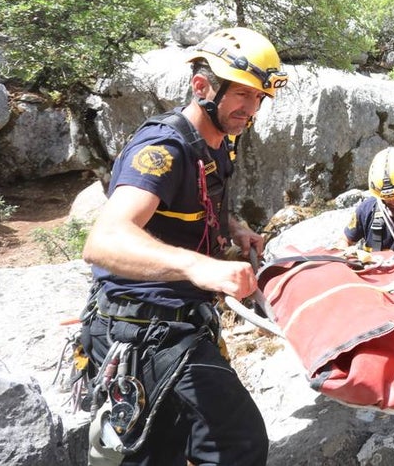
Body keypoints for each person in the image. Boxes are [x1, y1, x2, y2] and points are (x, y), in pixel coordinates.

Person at [79, 26, 287, 466]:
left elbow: (198, 204)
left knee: (170, 450)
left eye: (259, 98)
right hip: (143, 330)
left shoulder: (216, 145)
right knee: (238, 445)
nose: (251, 108)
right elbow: (104, 240)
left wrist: (235, 229)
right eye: (243, 95)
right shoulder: (164, 148)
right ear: (202, 86)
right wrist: (199, 268)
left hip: (176, 324)